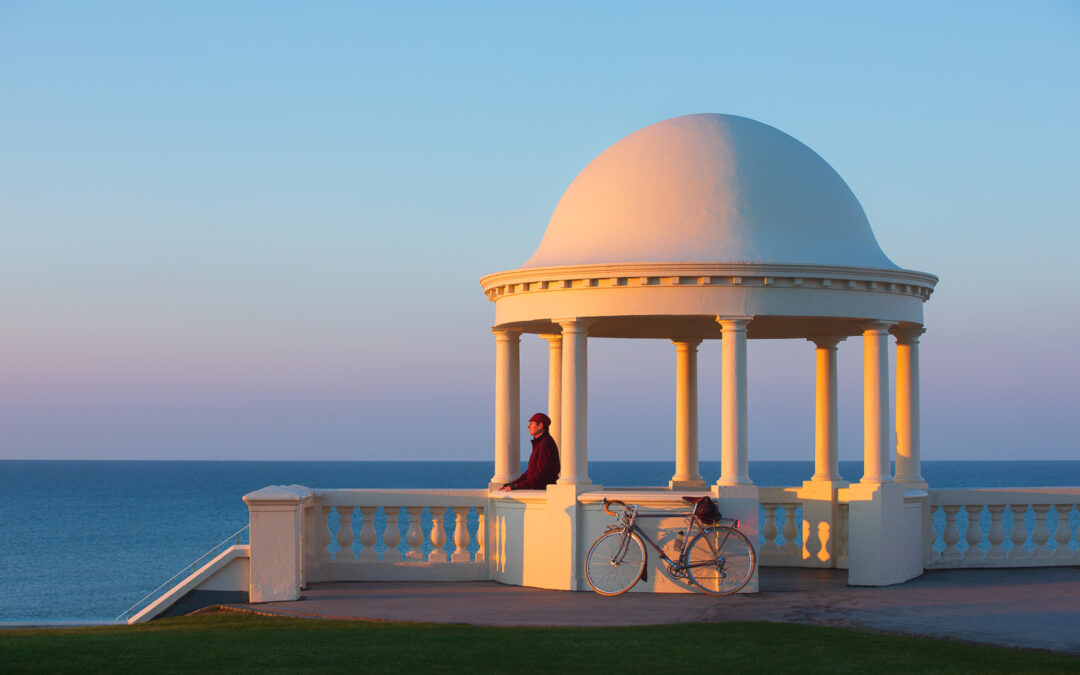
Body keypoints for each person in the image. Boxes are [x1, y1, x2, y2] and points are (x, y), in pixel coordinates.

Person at [500, 413, 560, 491]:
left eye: (531, 424)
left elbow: (540, 473)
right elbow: (530, 473)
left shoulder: (545, 444)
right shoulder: (540, 443)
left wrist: (518, 486)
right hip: (539, 490)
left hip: (542, 492)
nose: (528, 427)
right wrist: (513, 484)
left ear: (540, 426)